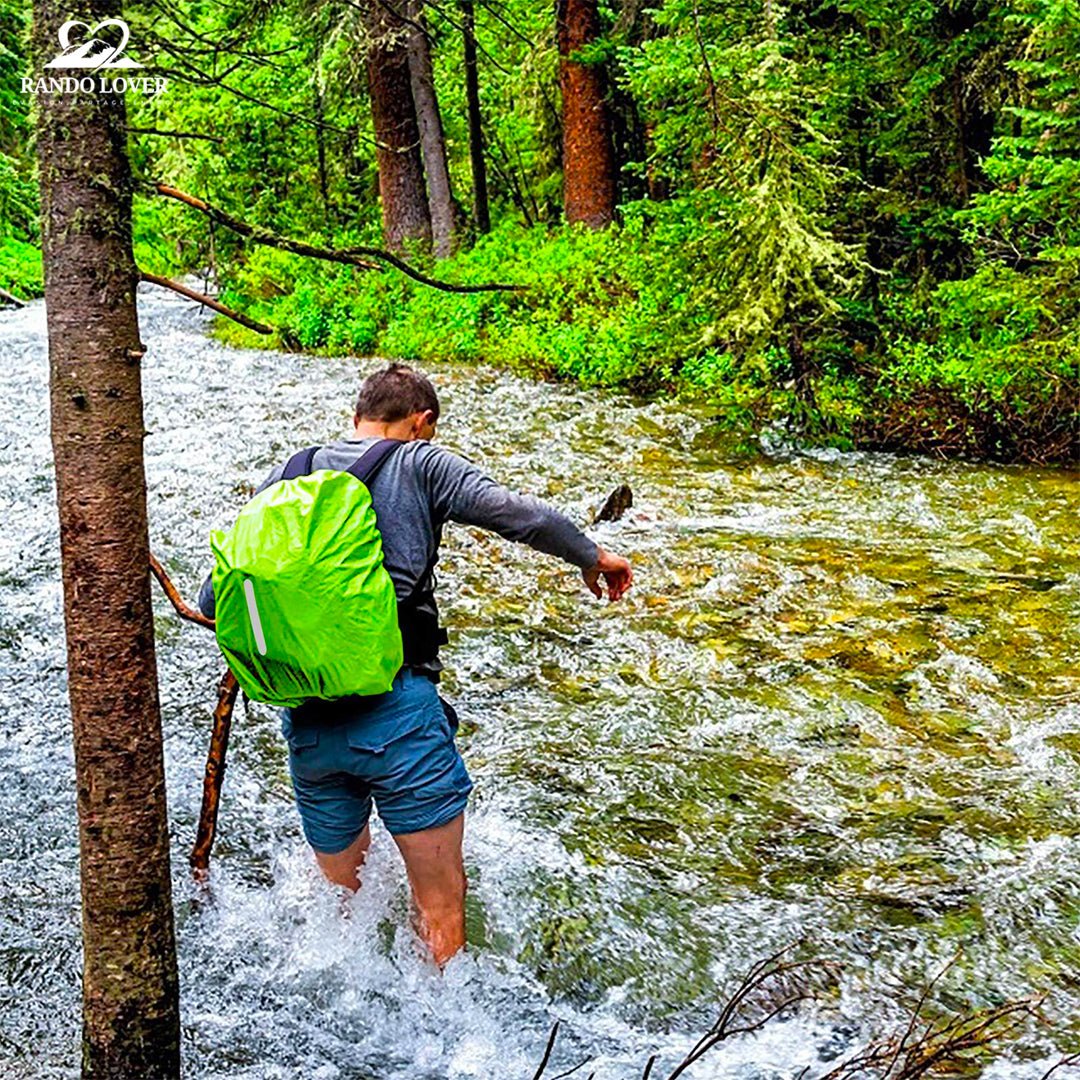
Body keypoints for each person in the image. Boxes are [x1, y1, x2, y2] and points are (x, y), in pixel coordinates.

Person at [198, 363, 633, 965]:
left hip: (308, 728)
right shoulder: (421, 463)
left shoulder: (289, 473)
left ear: (357, 417)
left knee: (340, 914)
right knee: (439, 911)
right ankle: (439, 1040)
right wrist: (593, 555)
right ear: (422, 422)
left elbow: (212, 598)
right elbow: (521, 515)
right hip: (398, 716)